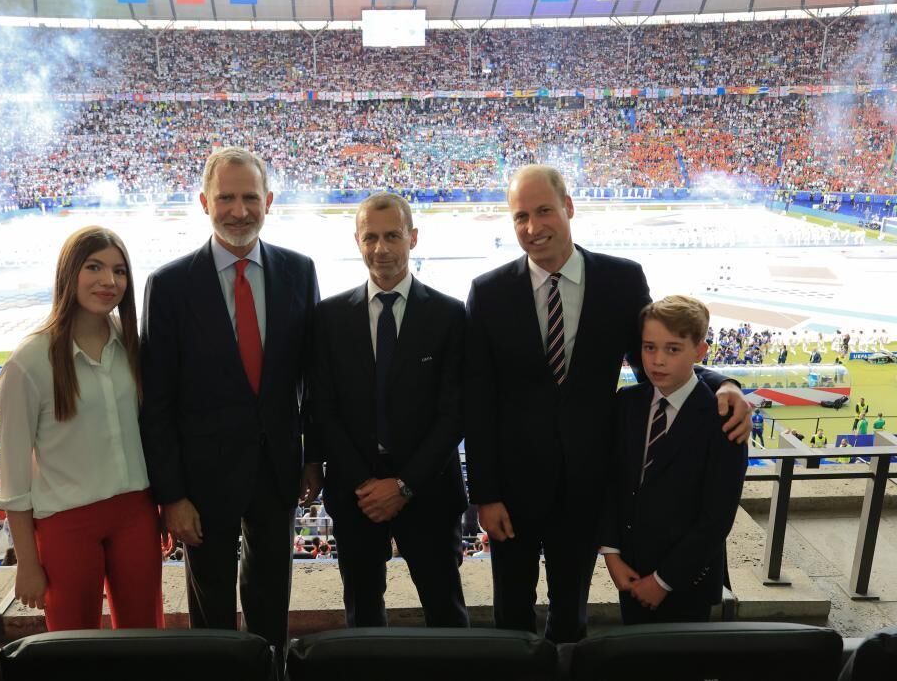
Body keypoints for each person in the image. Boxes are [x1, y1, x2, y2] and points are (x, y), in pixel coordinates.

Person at [463, 164, 752, 644]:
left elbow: (660, 357)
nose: (533, 228)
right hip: (512, 491)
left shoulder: (621, 280)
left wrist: (725, 381)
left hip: (587, 487)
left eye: (543, 212)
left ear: (569, 208)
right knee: (510, 613)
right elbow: (478, 397)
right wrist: (485, 494)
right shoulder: (489, 292)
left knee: (570, 614)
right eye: (520, 217)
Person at [139, 147, 319, 658]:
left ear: (269, 201)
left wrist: (311, 456)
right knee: (210, 606)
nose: (239, 210)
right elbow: (158, 401)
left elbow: (313, 380)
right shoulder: (170, 286)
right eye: (226, 198)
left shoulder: (299, 271)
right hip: (201, 481)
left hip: (277, 469)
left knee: (271, 598)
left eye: (250, 198)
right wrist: (171, 494)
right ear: (203, 202)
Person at [0, 226, 163, 631]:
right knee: (72, 643)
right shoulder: (29, 362)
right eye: (94, 267)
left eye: (119, 271)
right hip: (66, 522)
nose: (109, 281)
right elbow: (14, 477)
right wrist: (28, 564)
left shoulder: (132, 345)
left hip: (136, 514)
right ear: (69, 272)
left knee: (145, 638)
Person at [313, 192, 468, 627]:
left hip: (429, 491)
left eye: (393, 236)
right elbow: (323, 410)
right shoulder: (328, 318)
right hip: (356, 495)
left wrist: (403, 485)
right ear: (357, 242)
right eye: (371, 237)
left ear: (413, 238)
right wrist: (366, 483)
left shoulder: (449, 315)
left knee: (446, 610)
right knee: (362, 614)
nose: (381, 249)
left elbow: (453, 413)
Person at [600, 296, 748, 624]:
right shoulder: (627, 404)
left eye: (672, 349)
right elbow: (612, 483)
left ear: (699, 352)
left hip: (687, 582)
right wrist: (611, 553)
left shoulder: (723, 419)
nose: (658, 361)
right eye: (649, 347)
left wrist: (664, 580)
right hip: (630, 572)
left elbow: (716, 518)